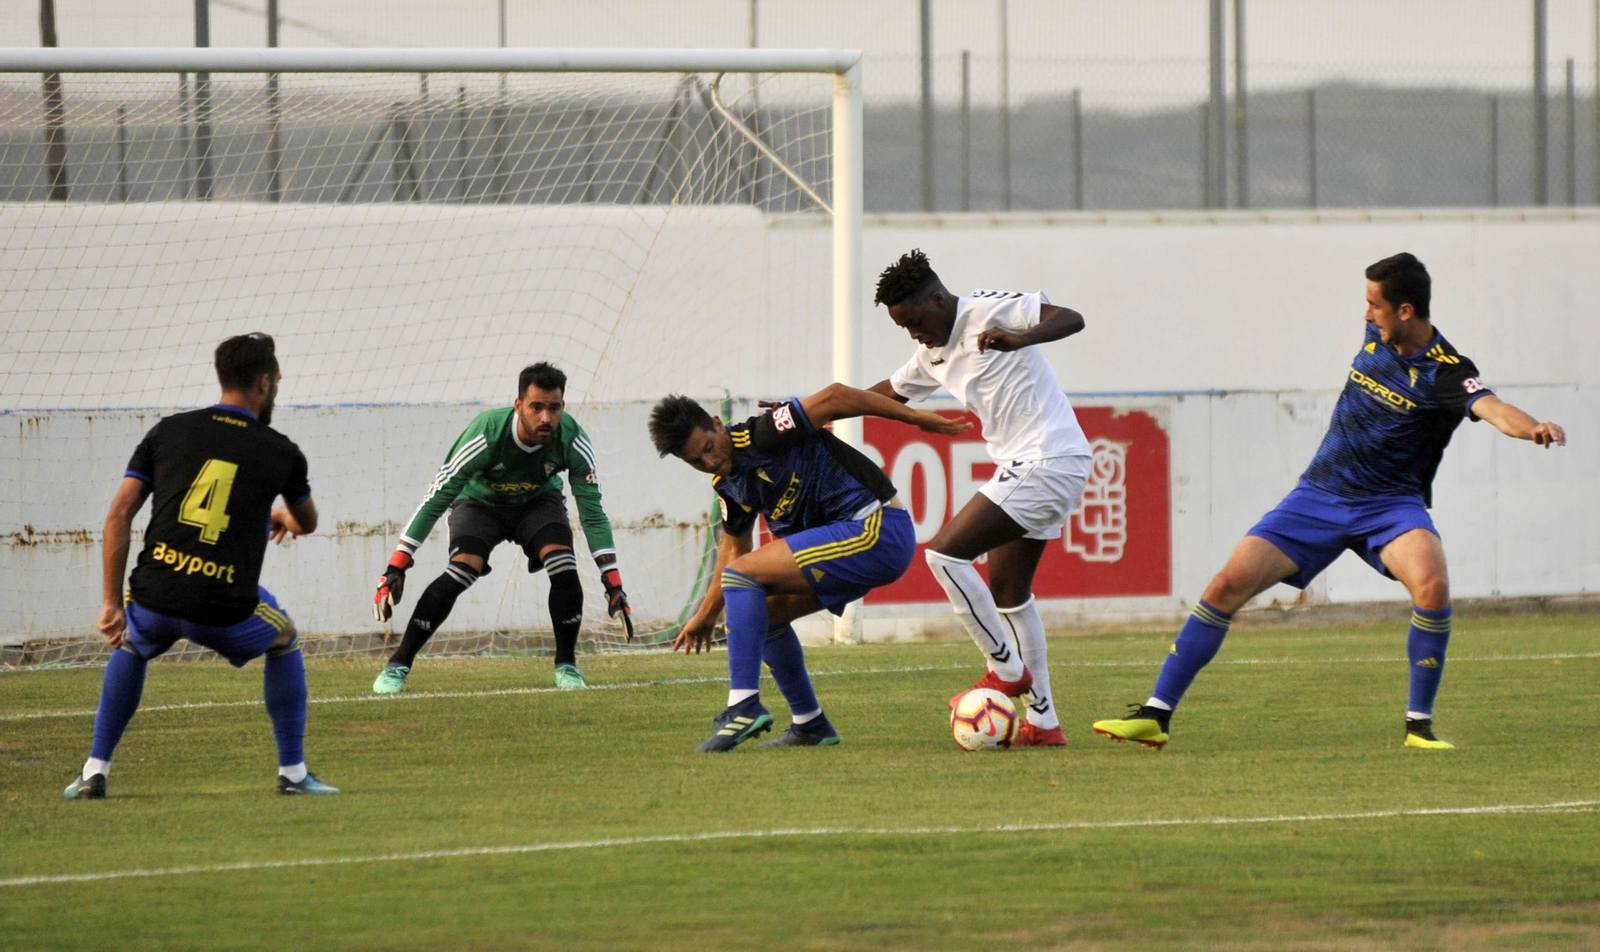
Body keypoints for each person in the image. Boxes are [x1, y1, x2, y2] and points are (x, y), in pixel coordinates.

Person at [1092, 252, 1567, 750]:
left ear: (1406, 310)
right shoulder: (1377, 336)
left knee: (1432, 584)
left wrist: (1532, 427)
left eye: (1374, 305)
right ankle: (1155, 714)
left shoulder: (1446, 371)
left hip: (1389, 505)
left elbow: (1493, 408)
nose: (1365, 315)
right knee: (1227, 584)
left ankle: (1418, 727)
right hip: (1318, 496)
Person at [67, 333, 334, 798]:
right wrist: (284, 516)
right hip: (225, 609)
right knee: (284, 635)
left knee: (132, 641)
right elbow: (307, 522)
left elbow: (118, 515)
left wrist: (111, 602)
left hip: (156, 596)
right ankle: (292, 774)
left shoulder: (167, 431)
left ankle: (95, 770)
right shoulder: (280, 451)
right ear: (264, 383)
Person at [650, 383, 970, 752]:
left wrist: (914, 418)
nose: (709, 462)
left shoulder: (764, 434)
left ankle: (742, 705)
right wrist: (706, 615)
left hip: (877, 528)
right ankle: (810, 724)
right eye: (695, 462)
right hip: (852, 544)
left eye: (708, 448)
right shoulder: (729, 484)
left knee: (742, 578)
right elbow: (734, 550)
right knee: (765, 614)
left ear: (718, 425)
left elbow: (834, 397)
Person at [867, 249, 1093, 748]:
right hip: (1045, 464)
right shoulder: (931, 355)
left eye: (915, 320)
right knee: (1011, 593)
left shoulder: (988, 310)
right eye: (902, 327)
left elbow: (1070, 318)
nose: (913, 333)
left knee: (944, 554)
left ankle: (1004, 670)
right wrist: (810, 416)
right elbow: (889, 394)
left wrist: (1022, 338)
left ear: (936, 297)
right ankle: (1045, 723)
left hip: (1046, 459)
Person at [372, 362, 629, 693]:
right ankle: (398, 664)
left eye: (554, 408)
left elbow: (592, 513)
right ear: (518, 405)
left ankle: (567, 665)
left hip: (538, 504)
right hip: (479, 505)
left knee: (563, 565)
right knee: (463, 570)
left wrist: (613, 582)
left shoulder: (573, 440)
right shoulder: (485, 434)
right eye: (537, 407)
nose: (546, 418)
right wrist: (397, 565)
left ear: (563, 406)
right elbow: (436, 499)